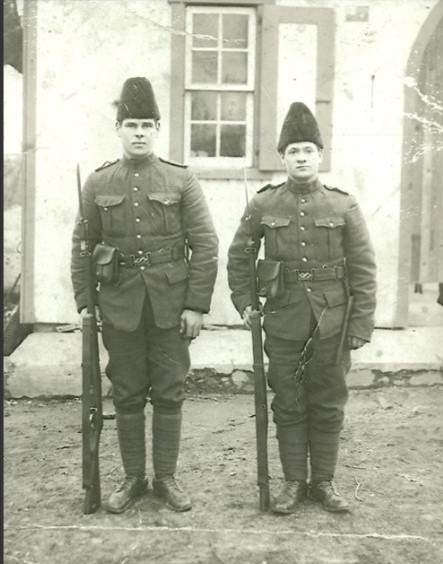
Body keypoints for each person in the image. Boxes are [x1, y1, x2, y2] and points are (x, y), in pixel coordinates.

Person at [71, 77, 218, 514]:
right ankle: (134, 478)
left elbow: (205, 244)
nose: (138, 133)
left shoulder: (181, 178)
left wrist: (196, 306)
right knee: (127, 393)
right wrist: (86, 304)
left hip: (171, 306)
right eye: (131, 125)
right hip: (119, 305)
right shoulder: (98, 182)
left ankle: (166, 478)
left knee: (170, 392)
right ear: (118, 129)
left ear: (157, 130)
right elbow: (82, 247)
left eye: (146, 126)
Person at [227, 102, 376, 514]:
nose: (302, 158)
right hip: (284, 317)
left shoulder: (343, 205)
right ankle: (294, 482)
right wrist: (245, 303)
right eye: (293, 151)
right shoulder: (263, 204)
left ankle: (323, 482)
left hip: (333, 319)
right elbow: (239, 257)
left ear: (320, 155)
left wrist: (360, 323)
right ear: (282, 157)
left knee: (328, 399)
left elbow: (364, 267)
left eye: (309, 150)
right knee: (289, 400)